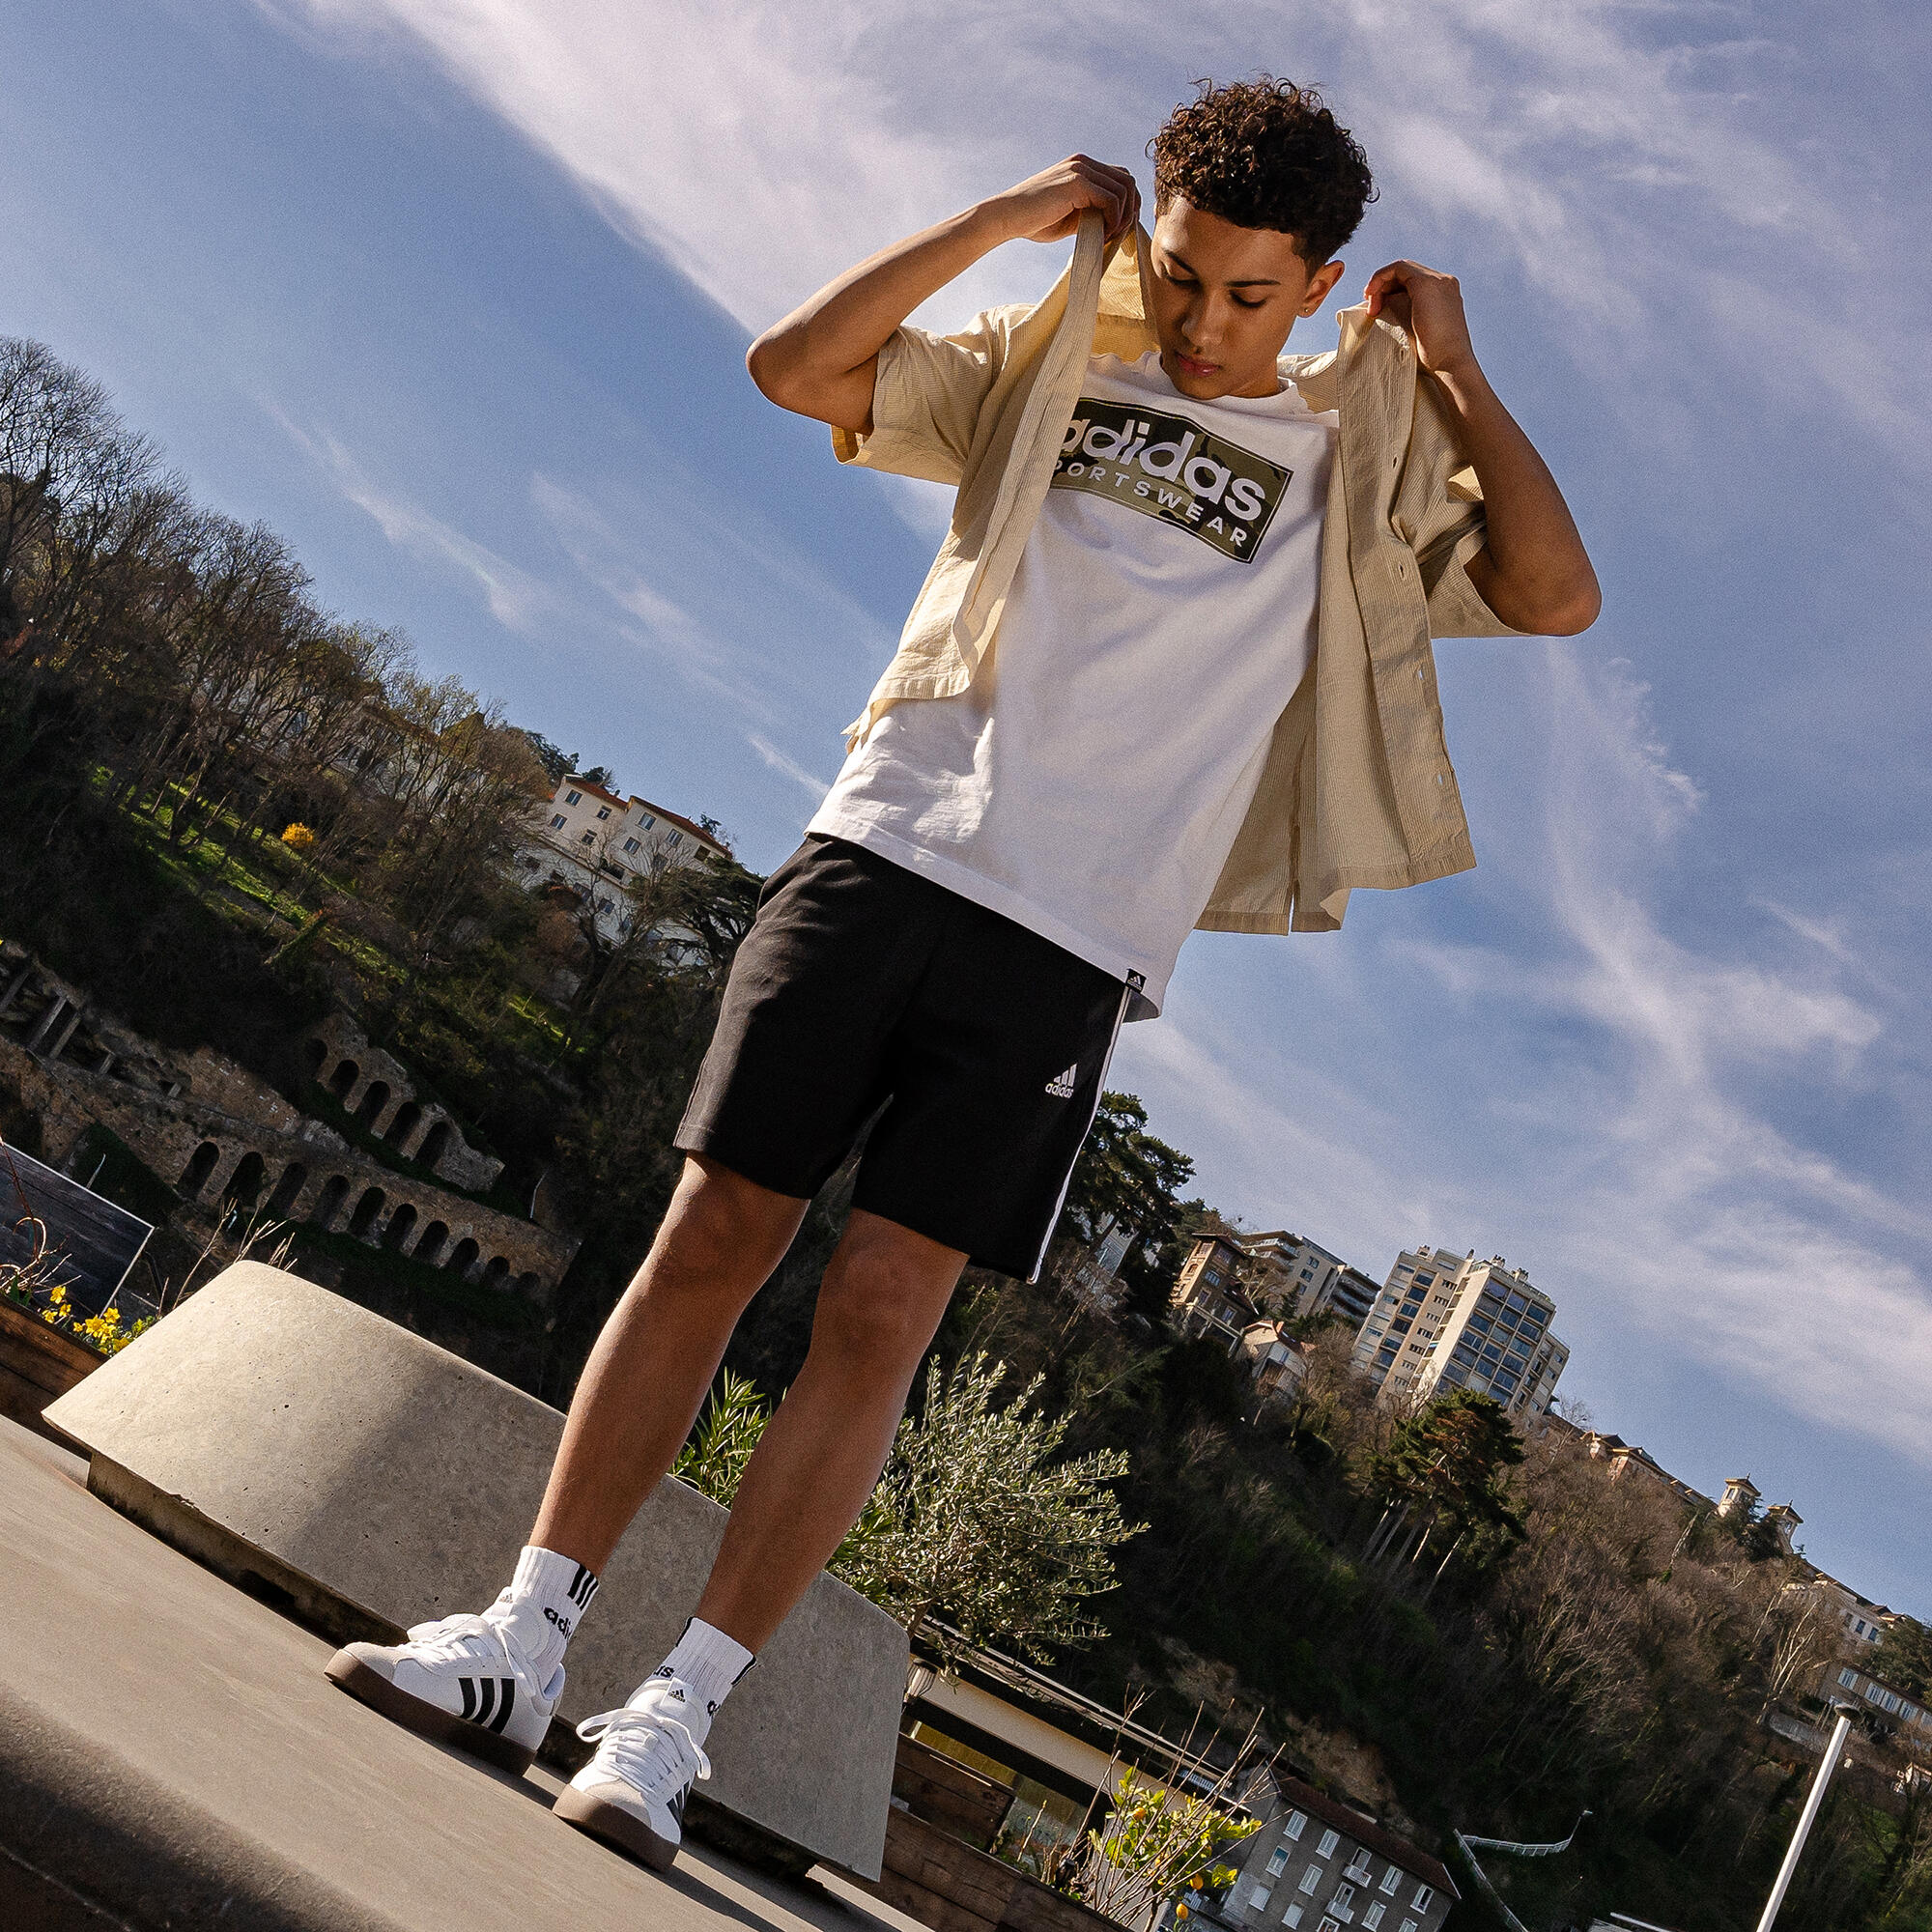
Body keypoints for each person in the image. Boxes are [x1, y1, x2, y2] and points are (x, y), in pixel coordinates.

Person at [327, 78, 1598, 1870]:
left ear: (1320, 286)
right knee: (711, 1232)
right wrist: (1002, 220)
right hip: (886, 839)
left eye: (1254, 295)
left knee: (882, 1307)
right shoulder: (1054, 348)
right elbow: (796, 369)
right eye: (1186, 276)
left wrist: (1457, 371)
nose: (1210, 323)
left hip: (1073, 935)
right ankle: (520, 1645)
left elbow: (1552, 594)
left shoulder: (1358, 455)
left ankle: (675, 1715)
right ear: (1149, 239)